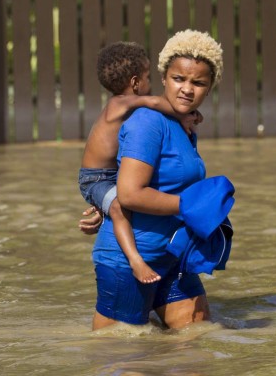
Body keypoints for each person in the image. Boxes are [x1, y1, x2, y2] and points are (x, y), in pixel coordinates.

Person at [90, 29, 228, 330]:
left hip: (175, 258)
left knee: (198, 344)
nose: (187, 89)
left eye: (199, 82)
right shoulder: (147, 122)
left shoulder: (185, 124)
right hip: (129, 262)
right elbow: (129, 194)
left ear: (210, 87)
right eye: (179, 79)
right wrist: (191, 205)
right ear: (164, 78)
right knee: (122, 356)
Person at [79, 41, 201, 284]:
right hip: (95, 178)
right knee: (118, 207)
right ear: (135, 83)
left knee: (116, 204)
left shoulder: (122, 107)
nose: (150, 83)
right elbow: (155, 102)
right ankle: (135, 261)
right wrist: (186, 113)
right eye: (147, 77)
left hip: (110, 175)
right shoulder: (120, 103)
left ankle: (106, 215)